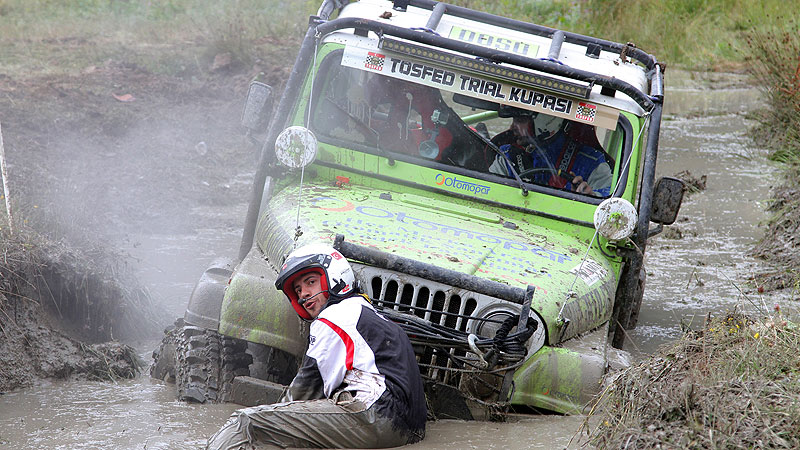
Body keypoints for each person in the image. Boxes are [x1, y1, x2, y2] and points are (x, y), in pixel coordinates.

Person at [206, 243, 427, 449]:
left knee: (246, 423)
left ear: (335, 277)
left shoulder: (333, 316)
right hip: (409, 429)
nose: (304, 295)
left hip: (375, 417)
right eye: (298, 290)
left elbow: (305, 390)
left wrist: (273, 415)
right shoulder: (371, 314)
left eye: (310, 282)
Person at [488, 108, 613, 196]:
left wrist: (590, 195)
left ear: (544, 122)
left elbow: (611, 205)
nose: (512, 127)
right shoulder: (508, 155)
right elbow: (488, 190)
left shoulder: (592, 163)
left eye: (520, 120)